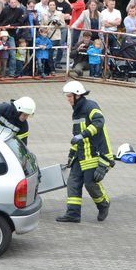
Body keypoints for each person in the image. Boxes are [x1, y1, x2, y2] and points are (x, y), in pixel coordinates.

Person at [57, 80, 112, 223]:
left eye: (69, 96)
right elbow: (76, 136)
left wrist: (83, 135)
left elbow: (99, 122)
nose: (68, 99)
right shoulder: (76, 112)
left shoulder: (90, 106)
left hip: (95, 153)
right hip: (80, 155)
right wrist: (70, 156)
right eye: (67, 96)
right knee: (73, 182)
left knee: (90, 184)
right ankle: (73, 214)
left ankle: (103, 204)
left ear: (77, 95)